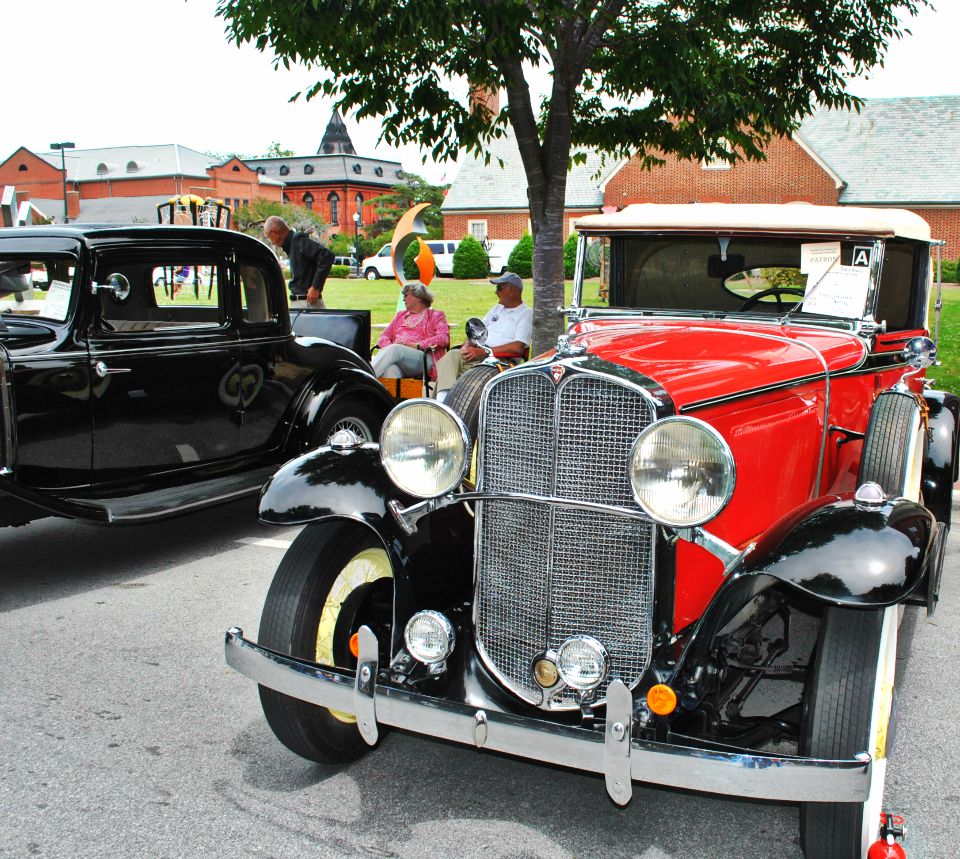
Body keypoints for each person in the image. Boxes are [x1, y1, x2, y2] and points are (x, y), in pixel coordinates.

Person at [434, 271, 533, 400]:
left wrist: (484, 351)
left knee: (458, 373)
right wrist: (467, 344)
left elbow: (518, 347)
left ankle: (443, 402)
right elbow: (477, 329)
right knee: (451, 356)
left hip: (500, 359)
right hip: (479, 352)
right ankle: (443, 400)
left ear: (511, 291)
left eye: (499, 288)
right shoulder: (497, 308)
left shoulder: (526, 313)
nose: (496, 292)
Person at [371, 281, 450, 380]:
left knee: (395, 349)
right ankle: (385, 390)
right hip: (399, 358)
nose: (403, 299)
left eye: (406, 295)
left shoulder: (435, 315)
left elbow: (443, 338)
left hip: (425, 359)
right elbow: (384, 336)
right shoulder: (400, 315)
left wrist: (417, 345)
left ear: (418, 297)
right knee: (390, 370)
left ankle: (361, 378)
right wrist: (391, 349)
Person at [263, 215, 335, 308]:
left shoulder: (297, 241)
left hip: (308, 303)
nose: (271, 241)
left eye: (268, 237)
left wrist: (316, 286)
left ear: (274, 233)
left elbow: (327, 256)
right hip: (302, 302)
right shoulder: (292, 244)